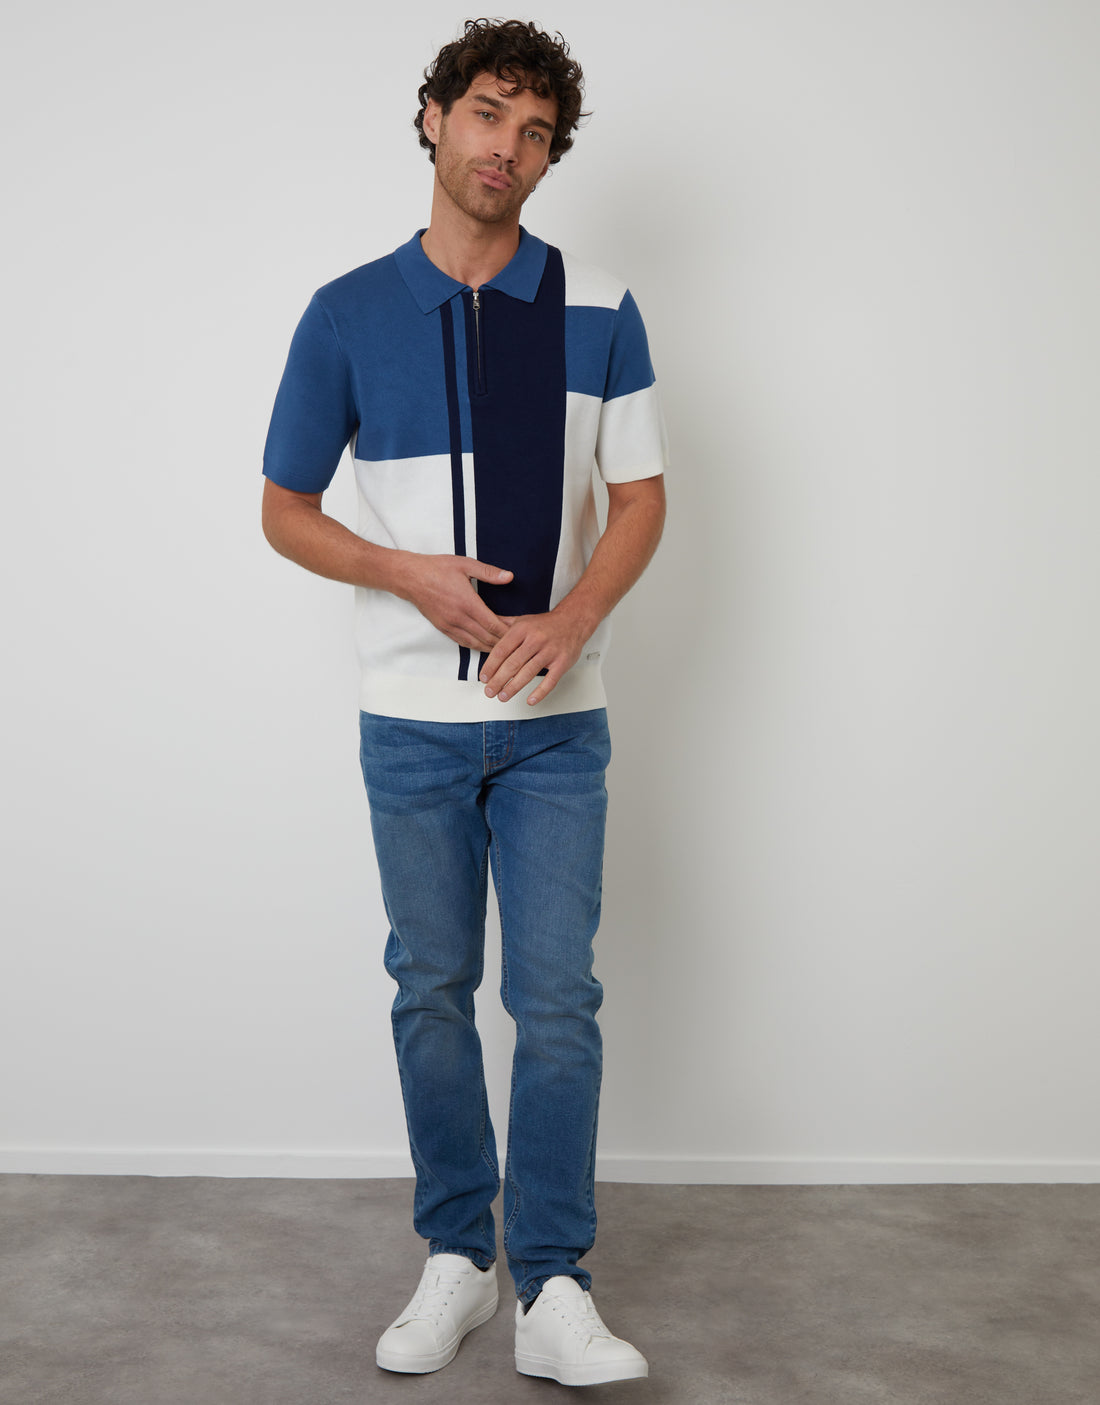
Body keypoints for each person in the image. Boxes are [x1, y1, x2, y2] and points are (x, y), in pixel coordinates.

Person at [261, 18, 667, 1388]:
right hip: (410, 726)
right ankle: (458, 1255)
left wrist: (573, 618)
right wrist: (406, 576)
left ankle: (553, 1281)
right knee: (430, 987)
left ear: (550, 159)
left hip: (557, 727)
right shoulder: (345, 313)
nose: (508, 146)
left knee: (557, 1000)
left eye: (536, 132)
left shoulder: (601, 305)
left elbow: (642, 497)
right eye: (489, 113)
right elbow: (285, 508)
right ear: (434, 118)